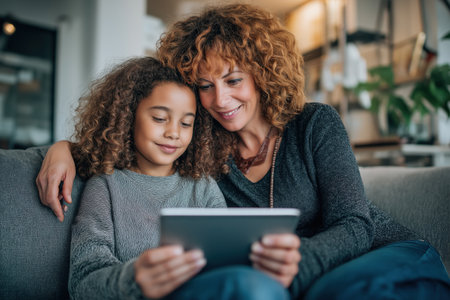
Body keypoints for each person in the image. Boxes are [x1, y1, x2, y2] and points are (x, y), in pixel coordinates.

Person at [37, 4, 450, 299]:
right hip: (292, 278)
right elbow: (130, 144)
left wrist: (296, 268)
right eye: (204, 85)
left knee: (342, 291)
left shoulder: (313, 124)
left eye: (233, 79)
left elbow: (355, 224)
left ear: (262, 74)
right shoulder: (204, 149)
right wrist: (63, 149)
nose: (220, 99)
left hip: (382, 253)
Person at [65, 56, 290, 300]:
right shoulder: (106, 187)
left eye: (186, 123)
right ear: (128, 117)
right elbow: (82, 280)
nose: (173, 133)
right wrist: (135, 279)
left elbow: (226, 262)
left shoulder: (202, 187)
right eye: (160, 119)